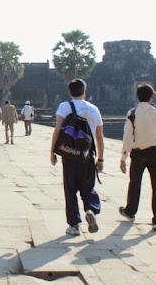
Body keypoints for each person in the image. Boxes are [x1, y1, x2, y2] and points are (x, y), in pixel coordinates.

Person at [119, 84, 156, 231]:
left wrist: (123, 158)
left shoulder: (132, 113)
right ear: (151, 96)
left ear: (137, 97)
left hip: (138, 153)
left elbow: (127, 137)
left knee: (135, 183)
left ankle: (131, 211)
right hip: (155, 153)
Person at [51, 78, 105, 236]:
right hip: (88, 156)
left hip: (69, 155)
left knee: (70, 189)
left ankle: (74, 225)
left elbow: (57, 130)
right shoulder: (94, 109)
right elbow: (100, 136)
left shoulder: (64, 106)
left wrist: (52, 151)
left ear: (70, 92)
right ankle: (91, 209)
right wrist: (101, 159)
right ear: (84, 91)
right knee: (88, 188)